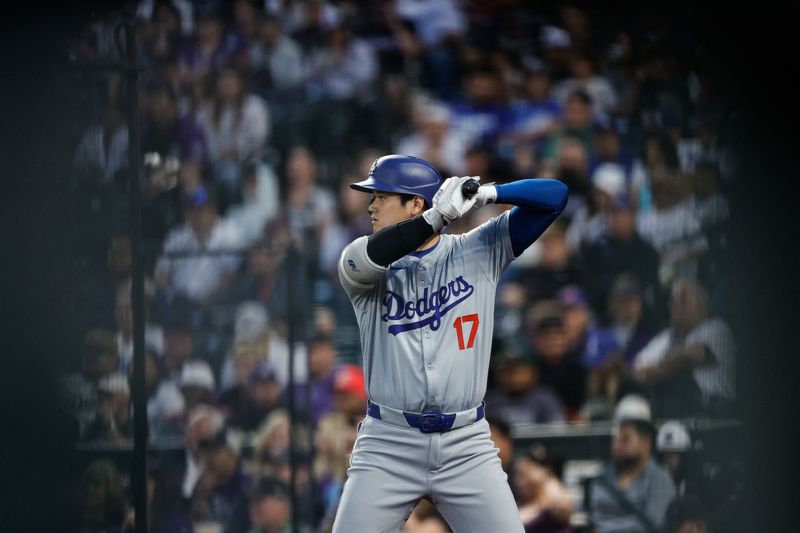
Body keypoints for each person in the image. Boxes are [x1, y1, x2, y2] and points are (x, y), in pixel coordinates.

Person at [333, 154, 568, 532]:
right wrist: (435, 218)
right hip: (388, 443)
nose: (371, 205)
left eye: (381, 196)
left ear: (415, 202)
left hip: (465, 443)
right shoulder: (359, 258)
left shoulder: (477, 249)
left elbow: (556, 196)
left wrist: (487, 193)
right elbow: (375, 254)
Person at [632, 278, 736, 418]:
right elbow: (639, 374)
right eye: (674, 300)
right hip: (675, 416)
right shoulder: (666, 336)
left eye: (685, 299)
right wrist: (675, 360)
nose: (678, 305)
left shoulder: (716, 327)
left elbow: (693, 355)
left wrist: (660, 366)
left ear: (702, 304)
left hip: (714, 414)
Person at [586, 394, 676, 533]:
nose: (618, 445)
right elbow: (594, 515)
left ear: (646, 442)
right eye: (616, 438)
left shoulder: (660, 479)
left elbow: (654, 524)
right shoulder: (603, 476)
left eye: (625, 439)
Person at [513, 443, 574, 533]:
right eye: (520, 475)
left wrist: (545, 478)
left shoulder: (556, 501)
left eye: (524, 475)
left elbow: (563, 505)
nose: (518, 482)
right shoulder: (521, 502)